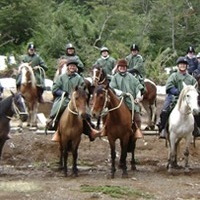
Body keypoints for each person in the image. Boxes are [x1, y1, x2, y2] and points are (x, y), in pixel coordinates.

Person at [46, 58, 99, 142]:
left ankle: (90, 129)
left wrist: (79, 93)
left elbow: (84, 89)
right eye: (71, 66)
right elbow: (55, 88)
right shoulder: (61, 77)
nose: (72, 67)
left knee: (85, 112)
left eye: (74, 66)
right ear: (68, 67)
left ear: (76, 68)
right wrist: (62, 93)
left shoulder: (79, 78)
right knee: (59, 107)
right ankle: (53, 124)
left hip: (77, 99)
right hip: (64, 98)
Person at [157, 56, 197, 139]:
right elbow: (169, 86)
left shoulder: (191, 78)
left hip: (188, 100)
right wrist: (177, 92)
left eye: (184, 64)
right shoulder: (173, 76)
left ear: (186, 66)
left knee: (196, 110)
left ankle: (196, 129)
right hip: (173, 97)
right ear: (178, 66)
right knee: (165, 110)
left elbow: (195, 89)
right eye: (181, 64)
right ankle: (163, 128)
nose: (182, 66)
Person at [109, 59, 144, 134]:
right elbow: (112, 88)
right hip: (118, 102)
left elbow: (138, 87)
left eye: (124, 66)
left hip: (131, 102)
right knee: (106, 114)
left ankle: (137, 132)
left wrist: (138, 97)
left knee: (137, 119)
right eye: (121, 66)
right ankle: (105, 129)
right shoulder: (114, 77)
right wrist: (122, 93)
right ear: (118, 67)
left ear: (126, 68)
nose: (122, 68)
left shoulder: (131, 77)